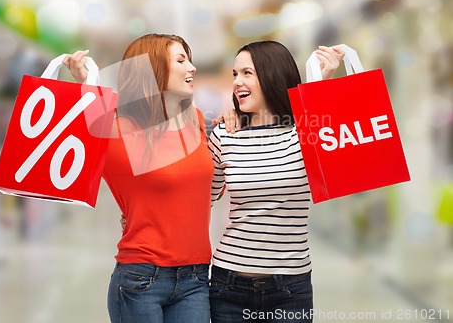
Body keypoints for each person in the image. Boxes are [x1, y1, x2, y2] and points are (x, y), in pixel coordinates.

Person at [63, 34, 214, 323]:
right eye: (181, 60)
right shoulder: (120, 130)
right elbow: (73, 143)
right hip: (141, 278)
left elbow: (205, 189)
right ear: (152, 70)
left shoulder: (195, 119)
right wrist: (86, 83)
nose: (192, 67)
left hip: (196, 277)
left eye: (190, 59)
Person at [208, 41, 344, 323]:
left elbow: (345, 158)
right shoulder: (225, 134)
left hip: (290, 288)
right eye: (235, 74)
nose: (237, 82)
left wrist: (323, 82)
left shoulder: (307, 132)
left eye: (247, 73)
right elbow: (201, 198)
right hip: (228, 284)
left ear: (272, 76)